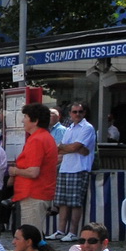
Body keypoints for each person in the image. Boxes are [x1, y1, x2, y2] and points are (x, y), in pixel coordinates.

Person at [7, 102, 58, 234]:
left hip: (33, 194)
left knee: (31, 237)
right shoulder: (44, 137)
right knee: (33, 235)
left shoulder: (37, 140)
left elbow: (33, 172)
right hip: (37, 193)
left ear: (35, 121)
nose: (23, 120)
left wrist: (14, 171)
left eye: (25, 117)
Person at [52, 101, 98, 240]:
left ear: (84, 113)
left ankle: (72, 232)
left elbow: (75, 148)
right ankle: (60, 231)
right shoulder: (70, 128)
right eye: (74, 112)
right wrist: (70, 148)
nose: (77, 114)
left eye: (80, 112)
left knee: (75, 203)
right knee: (63, 202)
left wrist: (67, 147)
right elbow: (64, 149)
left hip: (79, 168)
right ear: (70, 114)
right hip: (66, 167)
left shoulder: (87, 127)